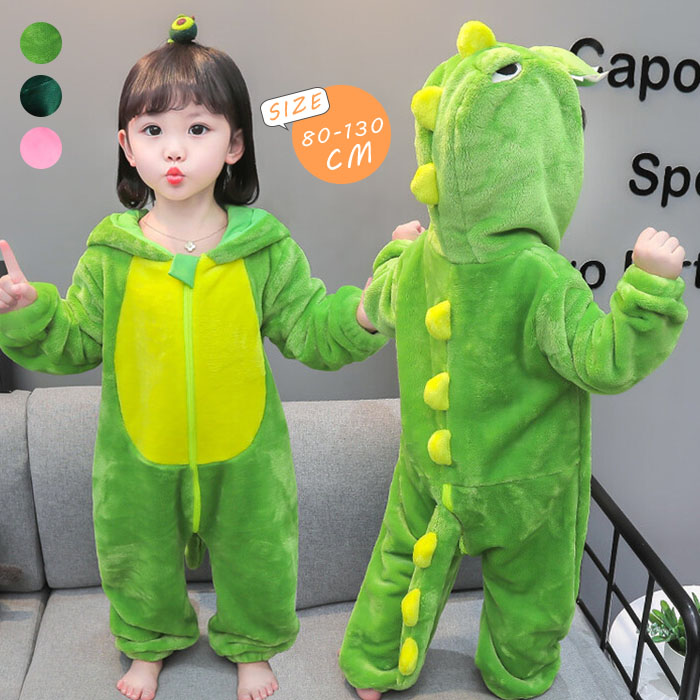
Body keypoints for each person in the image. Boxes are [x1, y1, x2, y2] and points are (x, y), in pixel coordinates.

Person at [0, 15, 387, 700]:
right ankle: (148, 645)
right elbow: (75, 339)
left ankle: (252, 646)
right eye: (153, 131)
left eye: (198, 129)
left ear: (234, 144)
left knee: (259, 555)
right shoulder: (112, 253)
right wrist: (26, 311)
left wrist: (364, 312)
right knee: (137, 557)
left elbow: (310, 328)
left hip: (247, 454)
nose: (174, 149)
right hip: (136, 454)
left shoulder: (263, 248)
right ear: (127, 146)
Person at [338, 20, 688, 700]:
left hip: (430, 467)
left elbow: (379, 301)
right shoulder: (540, 274)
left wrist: (397, 248)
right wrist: (649, 287)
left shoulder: (420, 259)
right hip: (527, 481)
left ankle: (374, 667)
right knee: (531, 596)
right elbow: (604, 361)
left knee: (399, 565)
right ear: (542, 157)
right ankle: (515, 676)